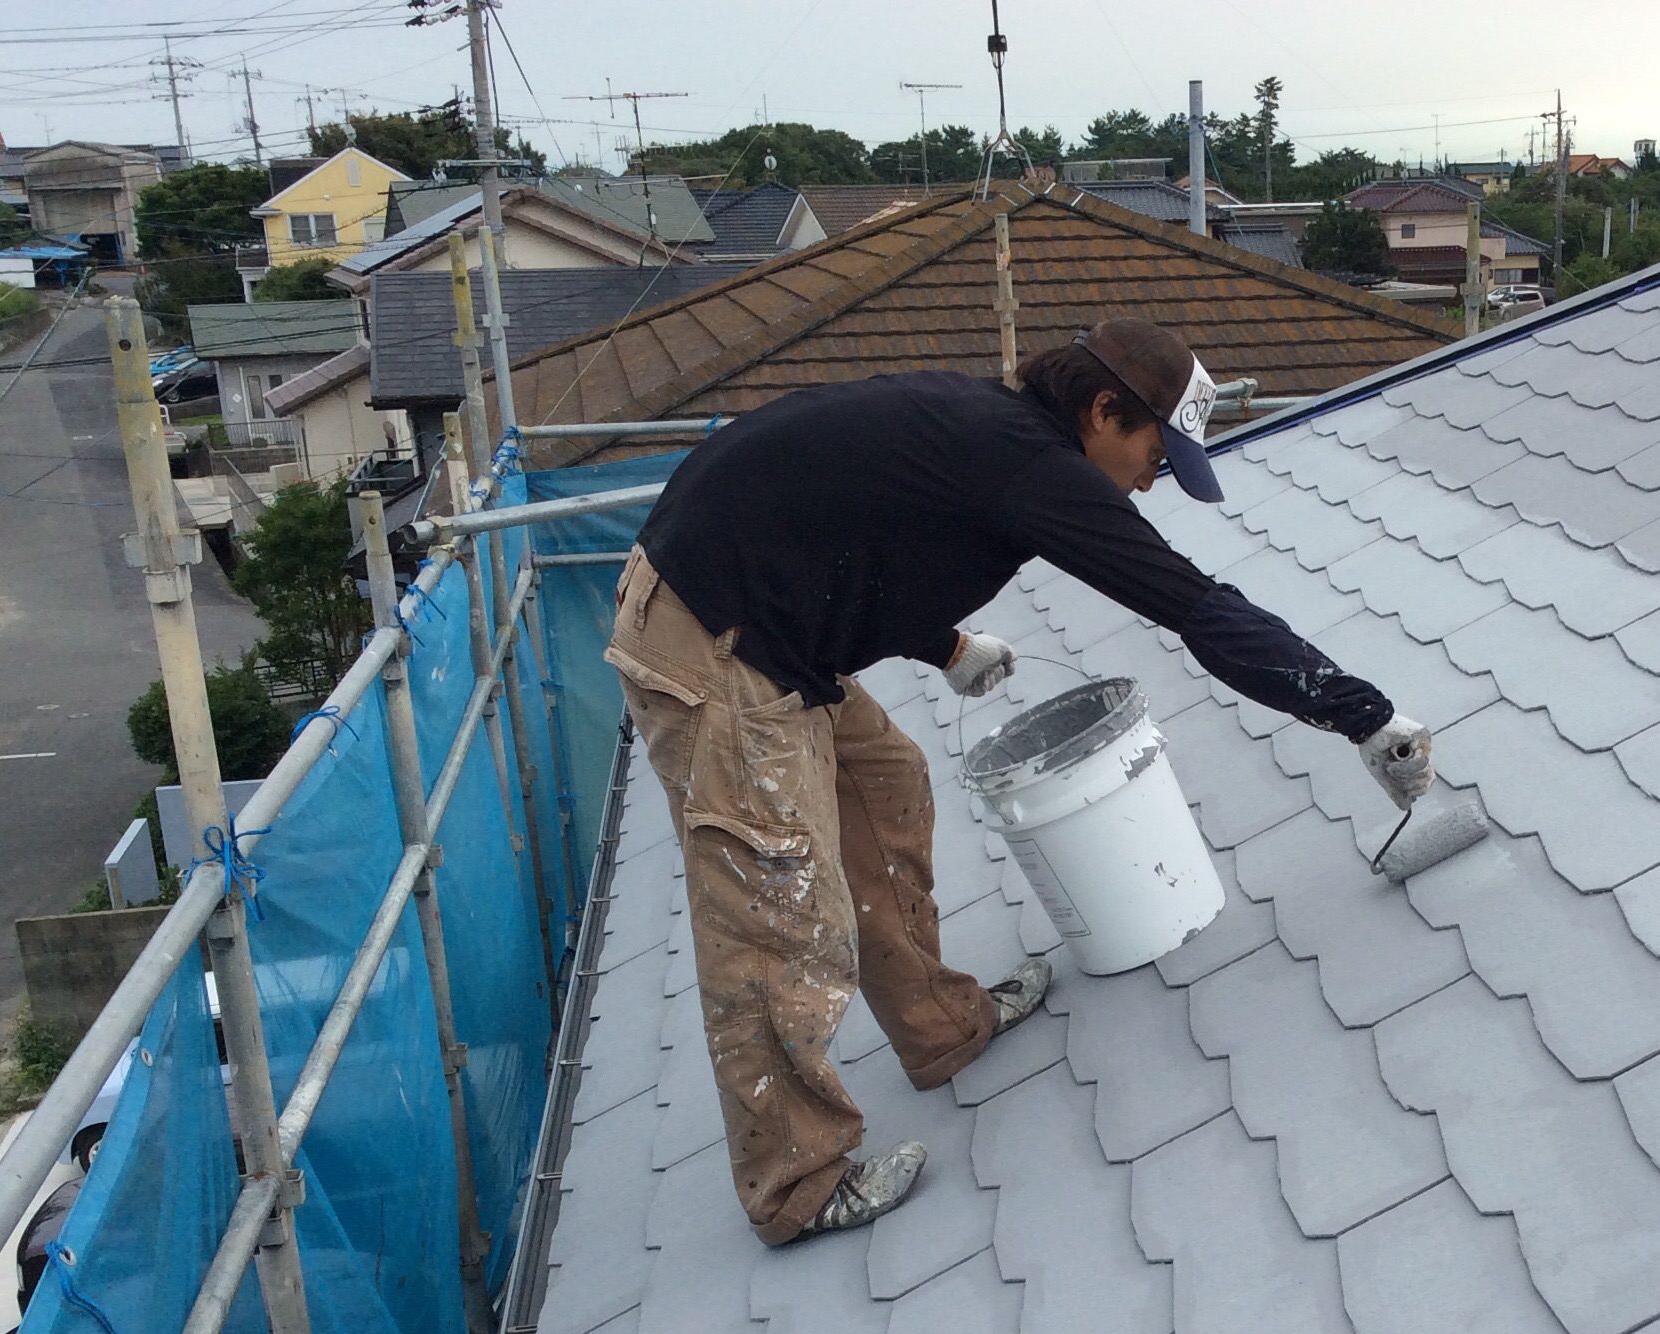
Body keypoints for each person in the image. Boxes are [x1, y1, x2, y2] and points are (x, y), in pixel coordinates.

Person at [608, 317, 1435, 1244]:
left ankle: (939, 1024)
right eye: (1155, 458)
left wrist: (945, 645)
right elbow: (1195, 608)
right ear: (1104, 410)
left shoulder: (988, 434)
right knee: (779, 902)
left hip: (764, 609)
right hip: (711, 630)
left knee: (884, 786)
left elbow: (865, 536)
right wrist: (1363, 715)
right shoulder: (1030, 465)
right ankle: (794, 1186)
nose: (1150, 483)